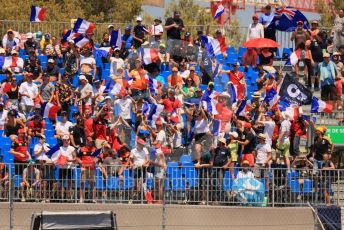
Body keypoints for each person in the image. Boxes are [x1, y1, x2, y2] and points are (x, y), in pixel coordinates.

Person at [51, 135, 76, 201]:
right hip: (62, 167)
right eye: (64, 140)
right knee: (62, 182)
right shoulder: (60, 148)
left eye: (67, 140)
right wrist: (55, 162)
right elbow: (57, 157)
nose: (66, 141)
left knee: (69, 182)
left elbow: (75, 158)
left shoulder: (72, 148)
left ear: (69, 141)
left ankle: (69, 197)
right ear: (63, 141)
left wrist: (69, 160)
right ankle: (62, 197)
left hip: (69, 167)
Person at [76, 137, 97, 203]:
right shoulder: (82, 149)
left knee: (92, 184)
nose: (90, 142)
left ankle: (93, 198)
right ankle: (81, 198)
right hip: (84, 168)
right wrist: (81, 162)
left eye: (91, 141)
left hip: (92, 168)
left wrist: (95, 161)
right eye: (89, 141)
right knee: (82, 183)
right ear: (86, 141)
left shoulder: (94, 149)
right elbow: (77, 158)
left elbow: (98, 158)